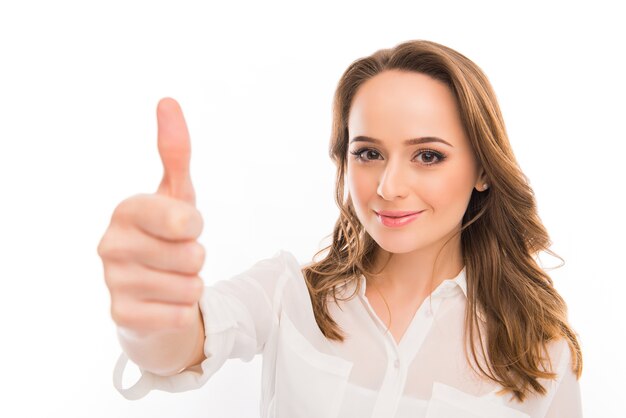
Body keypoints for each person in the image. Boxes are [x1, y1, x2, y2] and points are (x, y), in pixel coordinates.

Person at [97, 39, 583, 417]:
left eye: (428, 156)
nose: (390, 187)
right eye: (368, 153)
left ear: (482, 169)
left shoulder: (540, 352)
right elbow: (176, 347)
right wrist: (151, 316)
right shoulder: (290, 296)